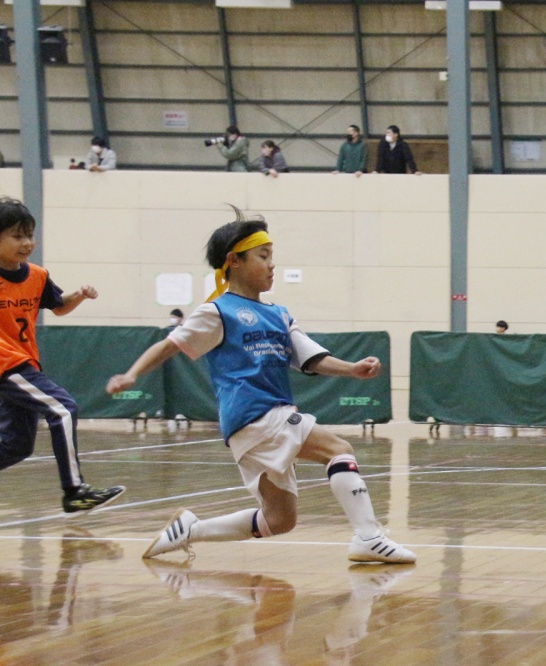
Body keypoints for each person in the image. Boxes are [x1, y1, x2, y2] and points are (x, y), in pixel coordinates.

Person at [106, 208, 415, 565]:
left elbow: (310, 357)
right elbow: (169, 345)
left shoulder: (279, 313)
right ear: (234, 261)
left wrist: (353, 369)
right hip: (256, 414)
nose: (272, 265)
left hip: (255, 426)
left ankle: (190, 530)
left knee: (279, 520)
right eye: (263, 256)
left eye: (272, 256)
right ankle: (369, 537)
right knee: (339, 449)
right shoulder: (217, 311)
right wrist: (132, 374)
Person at [0, 197, 126, 513]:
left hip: (25, 361)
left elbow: (58, 307)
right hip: (7, 363)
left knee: (17, 445)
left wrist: (79, 296)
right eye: (17, 236)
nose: (27, 243)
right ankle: (74, 491)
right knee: (63, 409)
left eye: (30, 235)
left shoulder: (37, 276)